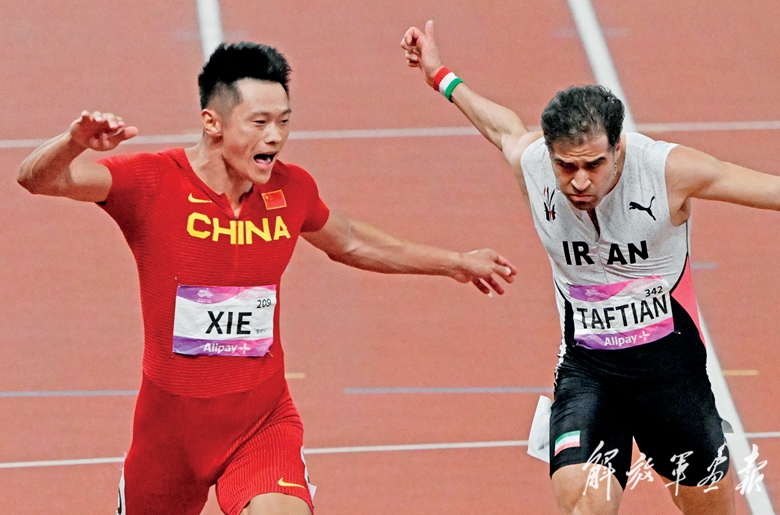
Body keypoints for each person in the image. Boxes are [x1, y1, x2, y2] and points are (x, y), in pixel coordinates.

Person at [17, 42, 517, 515]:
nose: (275, 137)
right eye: (259, 122)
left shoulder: (292, 189)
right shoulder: (151, 180)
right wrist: (72, 144)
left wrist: (456, 262)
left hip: (260, 420)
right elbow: (37, 179)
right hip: (169, 431)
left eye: (283, 121)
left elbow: (349, 241)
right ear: (212, 122)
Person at [402, 20, 780, 515]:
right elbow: (501, 127)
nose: (579, 181)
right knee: (585, 505)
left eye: (594, 165)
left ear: (618, 147)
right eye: (566, 166)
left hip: (672, 379)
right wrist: (440, 76)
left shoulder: (667, 172)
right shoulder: (533, 163)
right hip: (589, 374)